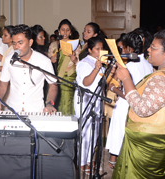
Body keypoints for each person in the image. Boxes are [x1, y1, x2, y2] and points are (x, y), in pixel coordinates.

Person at [112, 29, 165, 179]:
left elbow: (141, 109)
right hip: (157, 142)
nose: (148, 49)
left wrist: (126, 79)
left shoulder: (163, 79)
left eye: (153, 47)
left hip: (148, 148)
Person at [105, 32, 153, 169]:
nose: (123, 51)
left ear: (130, 49)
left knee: (118, 131)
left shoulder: (130, 66)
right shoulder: (148, 64)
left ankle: (113, 161)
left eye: (124, 48)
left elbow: (128, 95)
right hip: (140, 105)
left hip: (127, 104)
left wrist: (113, 88)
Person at [0, 24, 58, 113]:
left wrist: (50, 103)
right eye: (14, 43)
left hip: (36, 111)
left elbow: (53, 84)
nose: (16, 47)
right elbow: (3, 83)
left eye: (20, 43)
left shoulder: (44, 61)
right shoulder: (9, 59)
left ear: (30, 42)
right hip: (13, 110)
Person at [75, 36, 105, 173]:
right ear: (90, 49)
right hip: (85, 99)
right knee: (85, 132)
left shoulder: (100, 62)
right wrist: (96, 69)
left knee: (95, 132)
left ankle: (89, 159)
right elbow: (86, 83)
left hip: (97, 99)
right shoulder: (84, 63)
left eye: (102, 48)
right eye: (97, 49)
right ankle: (81, 162)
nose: (100, 51)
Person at [48, 19, 80, 115]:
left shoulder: (75, 45)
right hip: (56, 77)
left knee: (68, 103)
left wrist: (74, 58)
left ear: (70, 31)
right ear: (58, 31)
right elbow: (47, 64)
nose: (65, 32)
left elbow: (78, 62)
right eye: (62, 30)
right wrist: (51, 60)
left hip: (69, 77)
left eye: (67, 30)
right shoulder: (54, 45)